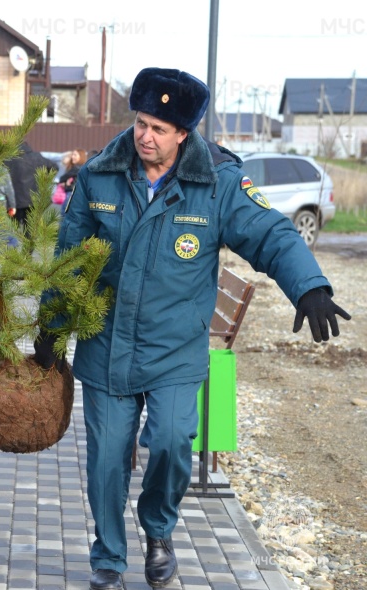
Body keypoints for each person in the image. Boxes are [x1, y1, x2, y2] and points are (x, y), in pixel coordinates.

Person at [33, 67, 350, 590]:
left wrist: (308, 285)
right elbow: (70, 260)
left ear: (184, 133)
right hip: (107, 346)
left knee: (173, 442)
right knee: (107, 462)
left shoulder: (218, 182)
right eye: (140, 122)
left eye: (159, 127)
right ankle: (108, 559)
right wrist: (52, 327)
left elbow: (270, 232)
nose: (145, 136)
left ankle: (157, 531)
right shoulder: (100, 176)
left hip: (174, 350)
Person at [5, 141, 58, 234]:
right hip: (33, 199)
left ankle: (11, 247)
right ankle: (29, 248)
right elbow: (54, 167)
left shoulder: (9, 159)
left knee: (10, 229)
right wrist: (45, 178)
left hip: (14, 199)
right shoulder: (37, 157)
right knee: (30, 229)